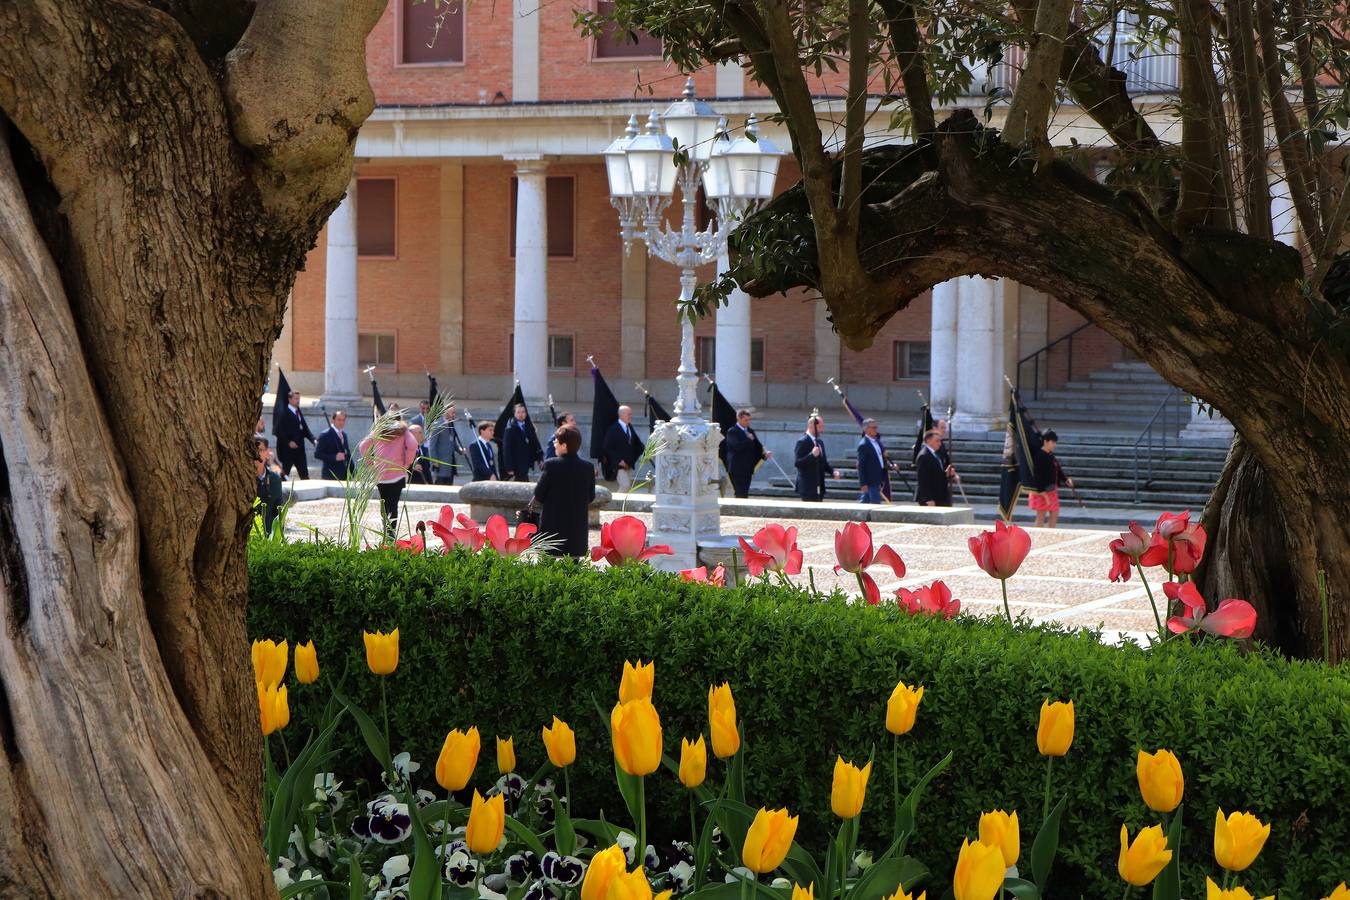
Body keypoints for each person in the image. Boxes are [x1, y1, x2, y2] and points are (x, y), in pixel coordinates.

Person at [532, 424, 596, 558]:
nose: (554, 444)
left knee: (546, 566)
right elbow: (590, 497)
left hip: (552, 527)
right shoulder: (588, 467)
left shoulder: (551, 465)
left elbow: (539, 494)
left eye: (556, 441)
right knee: (573, 567)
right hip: (576, 530)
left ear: (564, 445)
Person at [358, 420, 419, 541]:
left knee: (384, 503)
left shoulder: (379, 430)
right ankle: (391, 531)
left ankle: (386, 529)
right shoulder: (403, 431)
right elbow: (413, 445)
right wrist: (407, 463)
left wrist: (370, 462)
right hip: (397, 472)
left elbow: (363, 446)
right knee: (393, 504)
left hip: (381, 474)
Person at [1029, 430, 1074, 528]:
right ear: (1046, 441)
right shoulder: (1039, 456)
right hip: (1041, 491)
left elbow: (1057, 469)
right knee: (1041, 516)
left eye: (1055, 442)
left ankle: (1051, 532)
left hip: (1051, 489)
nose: (1054, 445)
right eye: (1053, 442)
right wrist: (1042, 492)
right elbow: (1037, 475)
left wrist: (1065, 479)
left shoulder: (1050, 454)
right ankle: (1038, 535)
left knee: (1054, 513)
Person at [724, 409, 770, 499]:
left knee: (745, 492)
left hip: (747, 468)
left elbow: (757, 446)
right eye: (746, 420)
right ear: (739, 419)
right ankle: (738, 507)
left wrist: (764, 454)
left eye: (749, 420)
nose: (748, 422)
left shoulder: (750, 431)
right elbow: (736, 447)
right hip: (736, 468)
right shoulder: (732, 431)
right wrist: (748, 439)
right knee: (740, 492)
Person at [793, 414, 838, 501]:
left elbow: (823, 463)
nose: (821, 430)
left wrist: (833, 472)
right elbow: (798, 463)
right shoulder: (802, 441)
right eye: (819, 427)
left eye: (822, 427)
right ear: (811, 426)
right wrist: (812, 455)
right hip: (808, 487)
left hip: (819, 486)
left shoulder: (820, 442)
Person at [274, 389, 315, 480]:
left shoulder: (298, 412)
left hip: (299, 450)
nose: (298, 401)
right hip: (287, 451)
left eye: (299, 399)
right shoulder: (283, 413)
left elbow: (304, 429)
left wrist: (313, 439)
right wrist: (288, 442)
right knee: (284, 475)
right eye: (296, 398)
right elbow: (278, 431)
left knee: (304, 475)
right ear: (290, 399)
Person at [601, 404, 643, 491]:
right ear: (622, 415)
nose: (630, 416)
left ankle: (621, 500)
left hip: (629, 464)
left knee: (627, 488)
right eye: (629, 414)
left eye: (631, 414)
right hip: (619, 466)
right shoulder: (613, 429)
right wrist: (619, 461)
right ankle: (616, 500)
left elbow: (637, 444)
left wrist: (634, 458)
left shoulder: (629, 427)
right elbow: (607, 447)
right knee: (625, 485)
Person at [253, 437, 285, 535]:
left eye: (260, 450)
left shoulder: (274, 479)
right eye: (252, 450)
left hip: (268, 535)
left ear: (267, 453)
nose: (256, 454)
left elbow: (278, 512)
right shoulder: (241, 479)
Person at [856, 418, 892, 504]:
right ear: (866, 429)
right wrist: (863, 483)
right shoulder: (864, 445)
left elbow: (880, 458)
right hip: (871, 480)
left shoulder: (877, 442)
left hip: (879, 477)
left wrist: (890, 465)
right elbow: (861, 466)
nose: (876, 429)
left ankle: (858, 512)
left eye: (876, 427)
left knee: (866, 501)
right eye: (873, 427)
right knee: (875, 503)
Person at [427, 404, 465, 484]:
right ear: (445, 413)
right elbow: (432, 446)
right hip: (440, 465)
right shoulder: (437, 425)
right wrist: (434, 461)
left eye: (454, 413)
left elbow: (452, 441)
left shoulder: (450, 425)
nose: (454, 415)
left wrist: (460, 450)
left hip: (450, 464)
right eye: (452, 413)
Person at [914, 430, 953, 506]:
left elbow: (936, 473)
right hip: (931, 498)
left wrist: (946, 474)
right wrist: (928, 499)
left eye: (940, 441)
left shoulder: (937, 454)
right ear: (929, 441)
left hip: (940, 495)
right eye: (937, 441)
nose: (940, 443)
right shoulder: (924, 456)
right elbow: (923, 479)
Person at [501, 403, 537, 482]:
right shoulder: (510, 429)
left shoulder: (528, 427)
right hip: (516, 465)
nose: (521, 414)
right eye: (518, 412)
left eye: (523, 412)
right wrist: (509, 467)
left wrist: (539, 458)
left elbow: (534, 443)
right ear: (514, 414)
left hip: (526, 463)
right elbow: (506, 449)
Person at [315, 410, 353, 480]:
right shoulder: (325, 434)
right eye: (339, 420)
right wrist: (334, 457)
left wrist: (355, 473)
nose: (341, 422)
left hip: (344, 475)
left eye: (343, 420)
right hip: (330, 475)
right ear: (333, 420)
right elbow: (317, 454)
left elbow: (348, 456)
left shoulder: (344, 435)